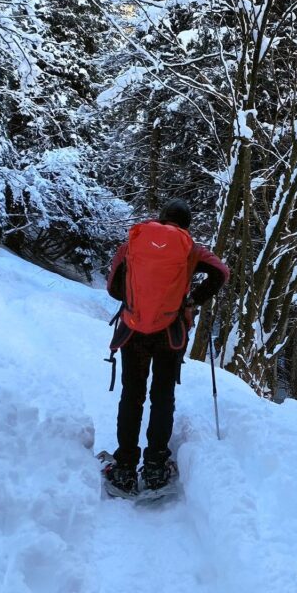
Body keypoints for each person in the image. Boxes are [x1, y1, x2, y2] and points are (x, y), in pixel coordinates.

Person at [104, 198, 229, 493]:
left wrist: (134, 301)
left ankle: (124, 467)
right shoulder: (190, 248)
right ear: (186, 225)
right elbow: (221, 272)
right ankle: (156, 466)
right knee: (162, 396)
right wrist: (191, 300)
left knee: (131, 395)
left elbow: (112, 287)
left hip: (132, 332)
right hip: (170, 334)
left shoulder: (135, 241)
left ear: (160, 218)